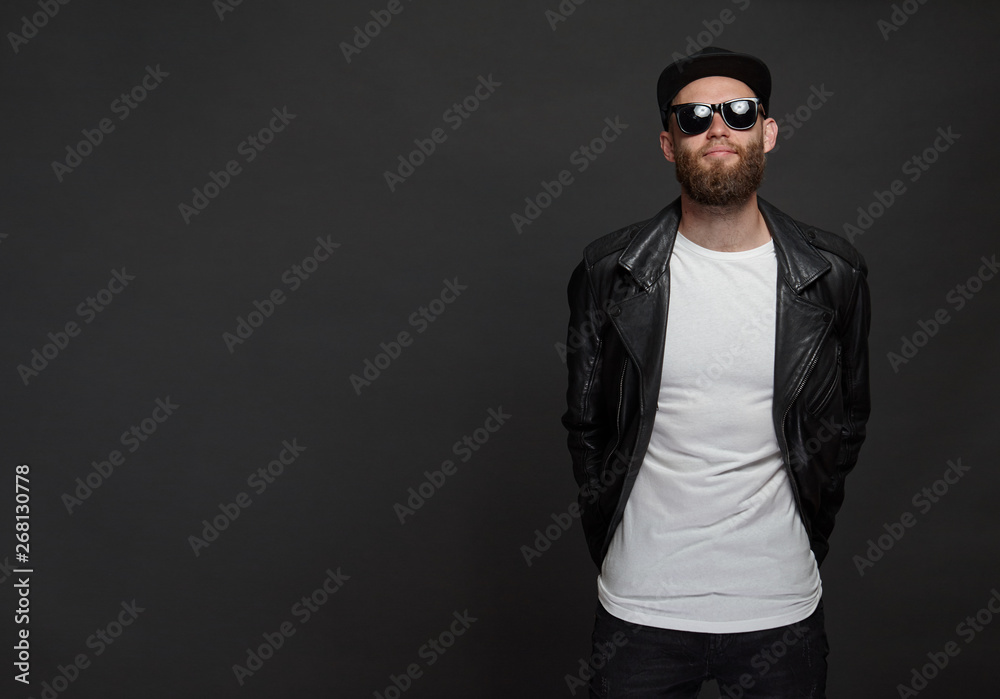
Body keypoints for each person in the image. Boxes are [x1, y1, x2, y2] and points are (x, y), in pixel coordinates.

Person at [561, 47, 871, 697]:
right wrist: (615, 546)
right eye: (695, 117)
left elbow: (845, 423)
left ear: (769, 131)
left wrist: (804, 536)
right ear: (668, 144)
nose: (718, 128)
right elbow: (588, 429)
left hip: (781, 609)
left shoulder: (832, 275)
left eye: (739, 112)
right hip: (639, 611)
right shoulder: (609, 273)